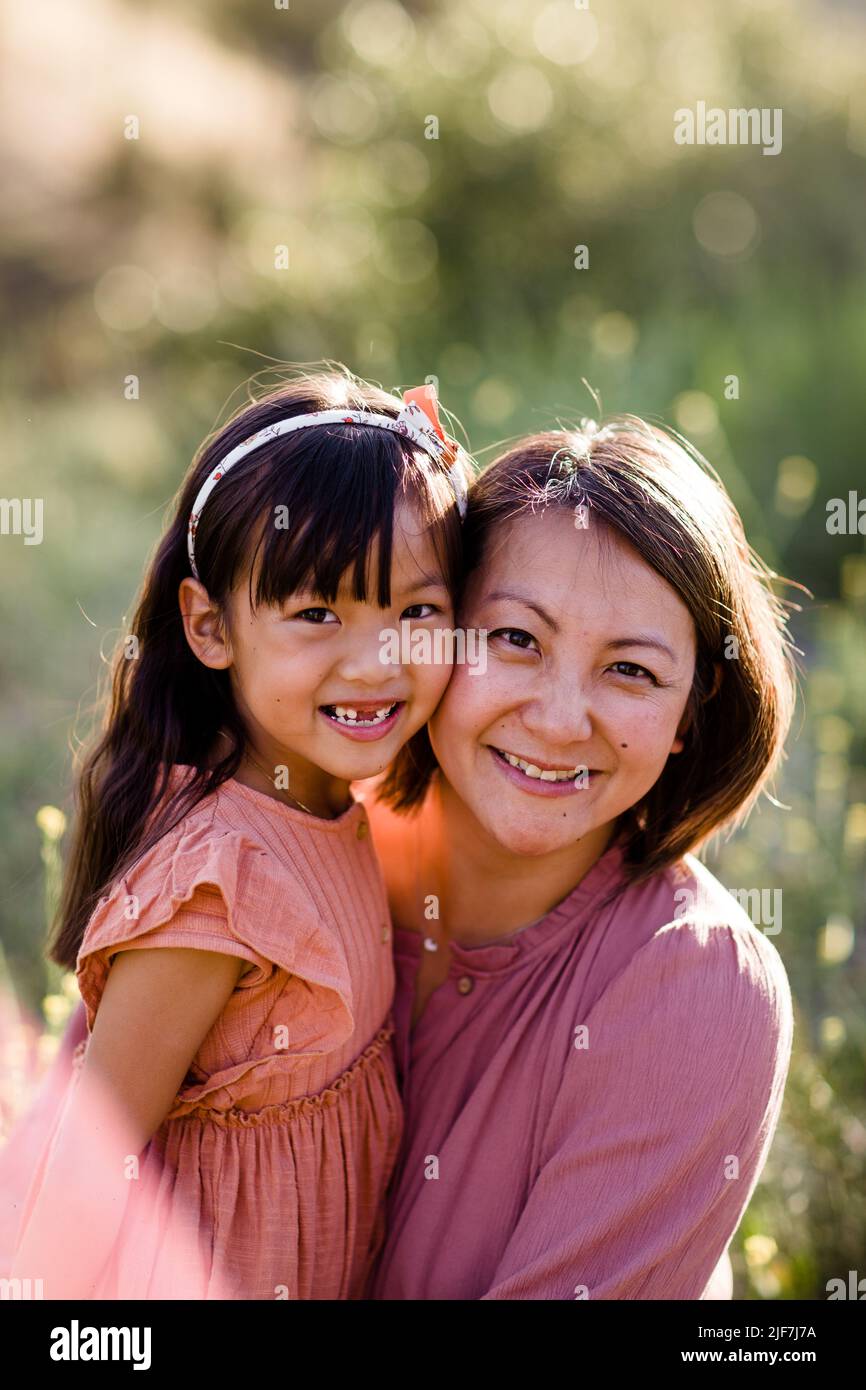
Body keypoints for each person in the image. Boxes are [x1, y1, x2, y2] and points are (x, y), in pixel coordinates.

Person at [8, 368, 472, 1300]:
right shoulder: (218, 885)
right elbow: (76, 1191)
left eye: (416, 612)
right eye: (316, 615)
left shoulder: (337, 805)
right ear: (210, 626)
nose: (377, 662)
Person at [363, 415, 797, 1299]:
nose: (562, 721)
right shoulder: (290, 850)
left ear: (688, 717)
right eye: (516, 639)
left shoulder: (695, 987)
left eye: (630, 670)